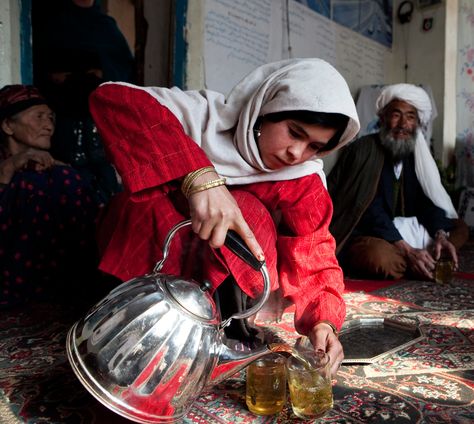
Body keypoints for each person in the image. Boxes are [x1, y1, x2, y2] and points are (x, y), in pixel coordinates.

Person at [89, 58, 360, 376]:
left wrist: (323, 320)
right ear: (264, 111)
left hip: (228, 277)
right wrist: (199, 177)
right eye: (294, 133)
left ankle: (223, 330)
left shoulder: (303, 178)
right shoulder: (203, 117)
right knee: (145, 203)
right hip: (163, 247)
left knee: (248, 211)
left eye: (315, 146)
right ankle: (136, 321)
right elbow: (112, 98)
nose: (296, 154)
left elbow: (313, 250)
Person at [328, 83, 469, 281]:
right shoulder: (364, 150)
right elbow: (367, 210)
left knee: (459, 228)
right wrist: (407, 248)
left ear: (417, 124)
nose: (403, 124)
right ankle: (423, 261)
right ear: (383, 118)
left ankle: (426, 257)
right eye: (396, 115)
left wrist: (440, 234)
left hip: (406, 231)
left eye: (410, 117)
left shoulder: (413, 155)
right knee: (379, 258)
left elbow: (424, 202)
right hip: (368, 233)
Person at [0, 84, 100, 308]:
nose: (49, 126)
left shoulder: (60, 175)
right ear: (7, 125)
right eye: (38, 117)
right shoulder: (10, 170)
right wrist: (9, 168)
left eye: (51, 118)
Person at [32, 0, 135, 206]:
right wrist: (84, 76)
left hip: (99, 127)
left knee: (106, 194)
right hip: (62, 125)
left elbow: (123, 77)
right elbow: (46, 72)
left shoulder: (106, 27)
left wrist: (94, 76)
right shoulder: (48, 21)